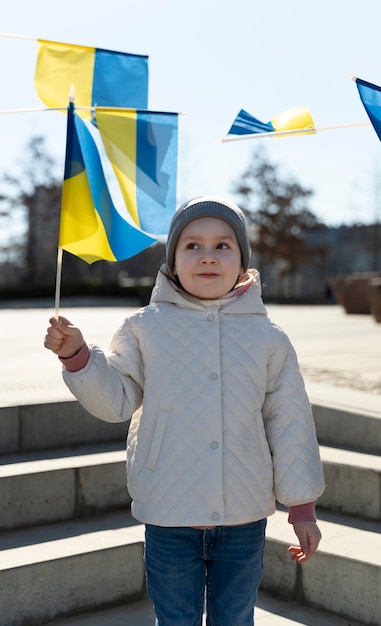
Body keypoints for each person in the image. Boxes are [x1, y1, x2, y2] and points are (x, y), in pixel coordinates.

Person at [44, 196, 325, 626]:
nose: (207, 257)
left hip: (244, 516)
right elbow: (116, 400)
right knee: (175, 619)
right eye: (192, 246)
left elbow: (289, 421)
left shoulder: (268, 337)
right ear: (173, 260)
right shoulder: (144, 327)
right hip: (168, 512)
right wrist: (79, 357)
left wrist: (301, 505)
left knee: (235, 618)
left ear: (242, 262)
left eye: (222, 246)